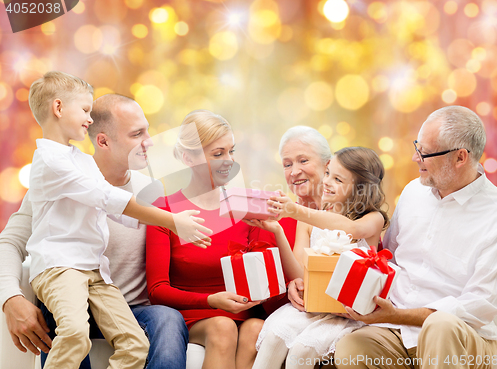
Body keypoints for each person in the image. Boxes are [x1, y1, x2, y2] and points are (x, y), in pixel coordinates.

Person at [0, 86, 197, 368]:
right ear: (103, 142)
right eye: (136, 134)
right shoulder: (59, 179)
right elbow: (10, 242)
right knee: (64, 322)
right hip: (71, 299)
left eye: (147, 131)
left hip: (130, 308)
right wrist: (10, 298)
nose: (149, 142)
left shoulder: (150, 189)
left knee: (167, 319)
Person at [327, 106, 497, 369]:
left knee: (440, 325)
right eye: (416, 146)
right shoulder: (412, 192)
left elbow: (477, 308)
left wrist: (401, 315)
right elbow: (390, 259)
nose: (414, 157)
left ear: (460, 158)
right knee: (352, 348)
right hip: (400, 331)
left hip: (464, 337)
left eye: (424, 153)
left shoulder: (494, 215)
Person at [146, 109, 267, 369]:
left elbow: (263, 271)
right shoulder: (164, 210)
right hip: (194, 315)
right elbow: (157, 291)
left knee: (257, 329)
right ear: (188, 157)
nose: (229, 161)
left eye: (231, 151)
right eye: (217, 154)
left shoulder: (247, 205)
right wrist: (210, 301)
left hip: (244, 313)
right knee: (223, 327)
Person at [249, 147, 389, 369]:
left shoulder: (372, 219)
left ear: (359, 188)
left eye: (337, 179)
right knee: (274, 336)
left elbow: (351, 229)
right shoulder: (308, 217)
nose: (327, 182)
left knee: (303, 349)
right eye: (327, 174)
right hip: (312, 308)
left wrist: (295, 210)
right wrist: (278, 231)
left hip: (345, 314)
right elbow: (299, 273)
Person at [259, 126, 332, 314]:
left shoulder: (349, 216)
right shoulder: (273, 223)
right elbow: (265, 297)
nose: (294, 172)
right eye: (287, 164)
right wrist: (289, 289)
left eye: (303, 161)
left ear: (328, 165)